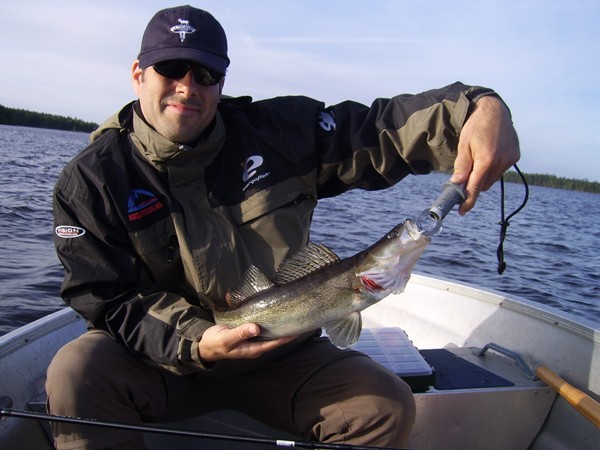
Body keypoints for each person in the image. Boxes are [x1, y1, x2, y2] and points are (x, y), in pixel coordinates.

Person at [46, 5, 520, 450]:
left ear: (221, 82)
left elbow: (379, 129)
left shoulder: (280, 135)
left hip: (282, 355)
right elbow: (109, 299)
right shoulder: (92, 180)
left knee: (385, 406)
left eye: (205, 74)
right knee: (76, 373)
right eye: (171, 68)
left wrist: (476, 109)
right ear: (138, 74)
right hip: (162, 362)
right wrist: (197, 340)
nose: (188, 88)